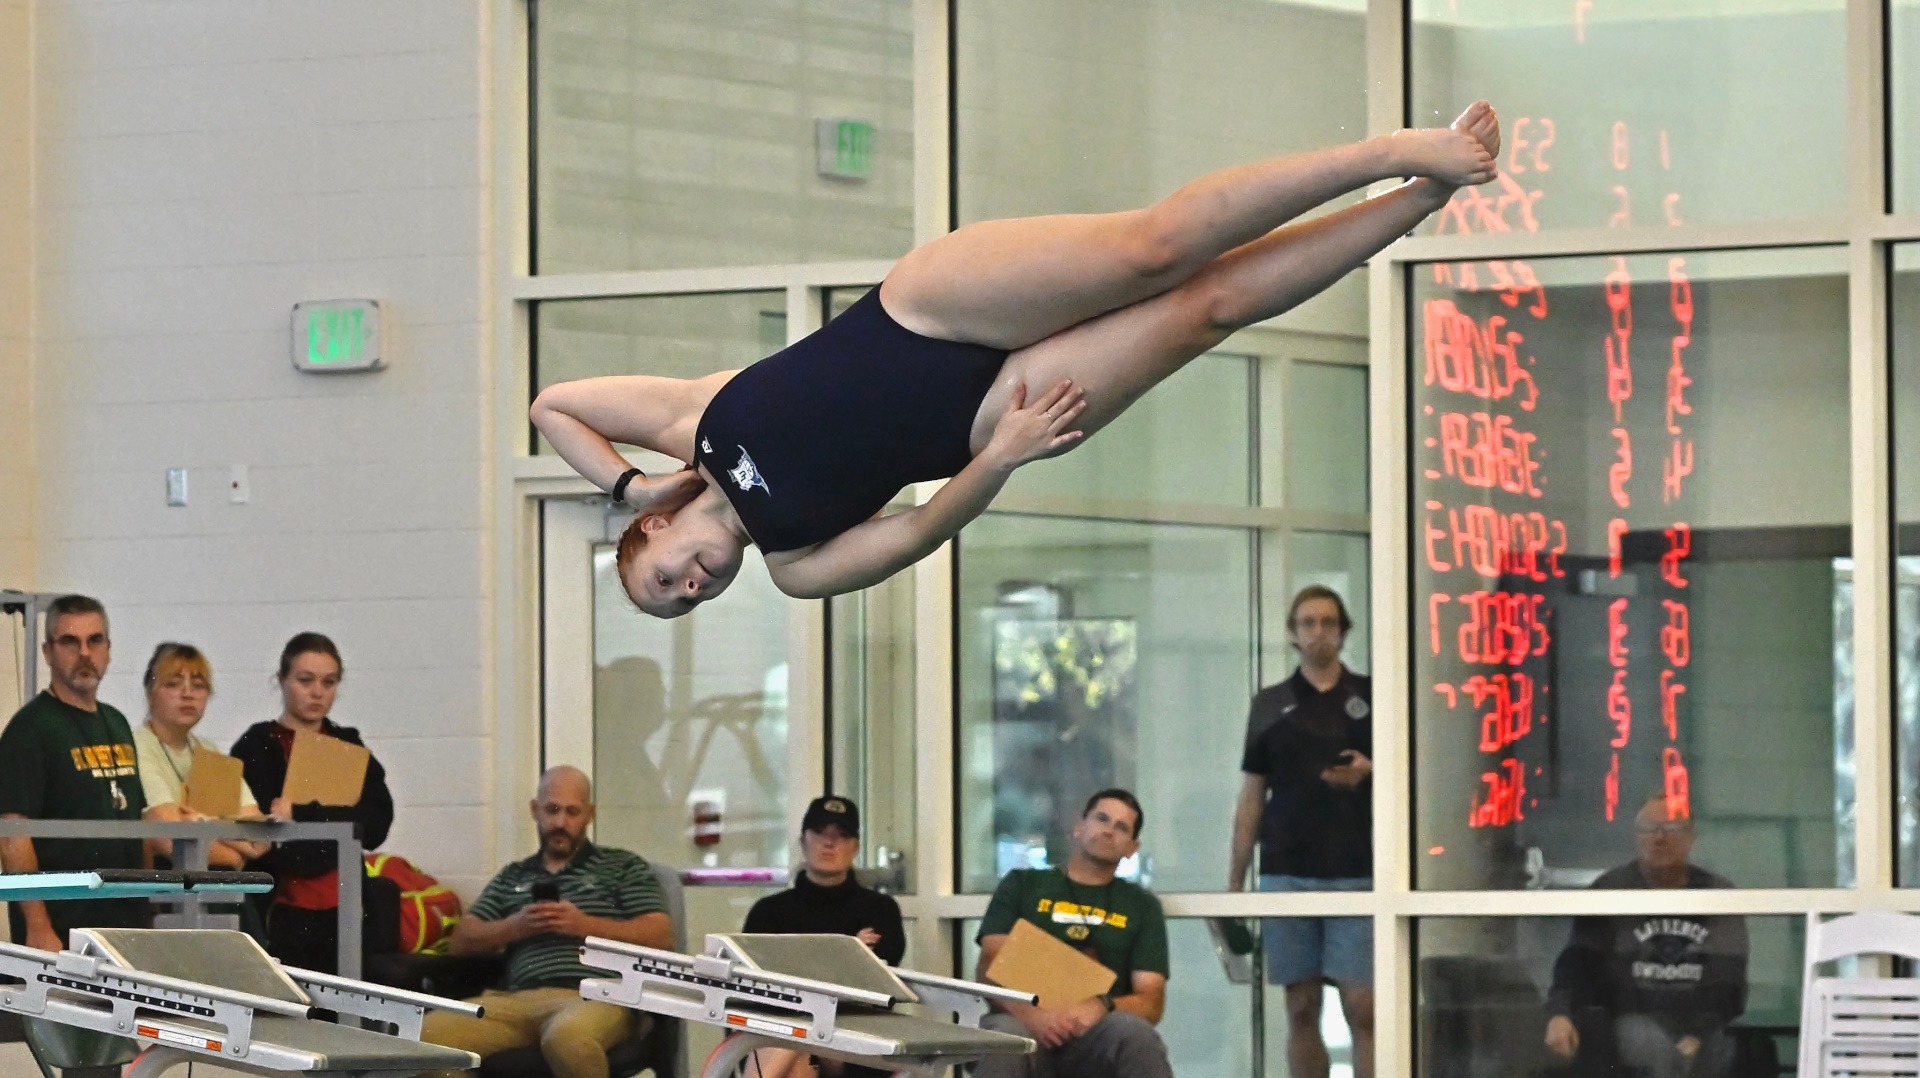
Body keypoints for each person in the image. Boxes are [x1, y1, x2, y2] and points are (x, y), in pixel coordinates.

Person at [533, 104, 1503, 618]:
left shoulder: (695, 422)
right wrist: (1001, 455)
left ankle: (1384, 152)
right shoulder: (793, 564)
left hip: (932, 304)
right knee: (1206, 308)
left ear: (655, 537)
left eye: (665, 581)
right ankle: (1418, 200)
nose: (692, 587)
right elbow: (914, 536)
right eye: (687, 605)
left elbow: (552, 406)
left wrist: (627, 486)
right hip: (991, 413)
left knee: (1155, 250)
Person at [419, 766, 672, 1078]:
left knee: (567, 1038)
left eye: (572, 812)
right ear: (534, 810)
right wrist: (515, 926)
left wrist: (584, 925)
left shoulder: (621, 866)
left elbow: (660, 934)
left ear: (589, 814)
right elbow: (461, 940)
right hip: (516, 1002)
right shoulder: (514, 875)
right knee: (425, 1039)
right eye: (552, 810)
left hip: (595, 996)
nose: (560, 823)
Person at [1230, 584, 1374, 1078]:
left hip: (1358, 872)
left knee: (1363, 1007)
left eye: (1328, 622)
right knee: (1301, 1007)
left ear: (1344, 631)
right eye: (1308, 623)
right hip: (1287, 872)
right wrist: (1234, 884)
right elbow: (1252, 794)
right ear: (1292, 634)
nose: (1318, 632)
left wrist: (1369, 772)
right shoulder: (1270, 704)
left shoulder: (1372, 698)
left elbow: (1406, 783)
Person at [0, 594, 164, 949]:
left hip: (123, 926)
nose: (85, 653)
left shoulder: (117, 722)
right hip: (63, 929)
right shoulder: (30, 729)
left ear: (108, 648)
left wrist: (148, 912)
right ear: (48, 652)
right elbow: (13, 836)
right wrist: (38, 925)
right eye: (70, 642)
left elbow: (137, 824)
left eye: (95, 640)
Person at [1543, 797, 1748, 1078]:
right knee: (1645, 1043)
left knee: (1727, 1048)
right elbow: (1578, 962)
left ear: (1691, 837)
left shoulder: (1716, 894)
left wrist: (1698, 1035)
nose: (1659, 837)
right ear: (1636, 838)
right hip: (1632, 1023)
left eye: (1671, 827)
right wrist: (1560, 1013)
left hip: (1704, 1025)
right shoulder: (1611, 890)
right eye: (1649, 828)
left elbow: (1729, 979)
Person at [974, 789, 1172, 1078]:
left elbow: (1151, 1001)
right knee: (1005, 1035)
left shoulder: (1141, 906)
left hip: (1095, 1035)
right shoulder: (1023, 884)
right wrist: (1037, 1017)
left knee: (1135, 1033)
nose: (1108, 831)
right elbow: (990, 967)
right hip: (1023, 1023)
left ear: (1132, 847)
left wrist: (1101, 1005)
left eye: (1121, 827)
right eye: (1102, 819)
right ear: (1079, 826)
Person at [231, 631, 395, 973]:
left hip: (345, 901)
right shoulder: (257, 745)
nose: (317, 692)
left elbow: (377, 822)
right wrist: (326, 822)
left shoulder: (347, 744)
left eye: (329, 681)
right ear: (282, 680)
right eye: (305, 680)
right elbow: (256, 826)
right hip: (282, 904)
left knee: (347, 1009)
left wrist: (303, 813)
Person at [741, 795, 906, 1078]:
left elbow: (872, 987)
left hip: (855, 1033)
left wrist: (799, 967)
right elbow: (752, 984)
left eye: (841, 835)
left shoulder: (879, 910)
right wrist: (847, 950)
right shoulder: (769, 912)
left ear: (855, 847)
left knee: (793, 1039)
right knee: (791, 1047)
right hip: (781, 1028)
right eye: (820, 832)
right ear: (803, 840)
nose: (829, 843)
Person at [132, 642, 269, 870]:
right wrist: (234, 856)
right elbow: (170, 838)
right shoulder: (137, 745)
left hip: (213, 884)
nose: (188, 694)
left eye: (198, 685)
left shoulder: (207, 750)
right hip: (163, 889)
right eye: (173, 684)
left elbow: (259, 834)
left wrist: (204, 823)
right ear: (149, 693)